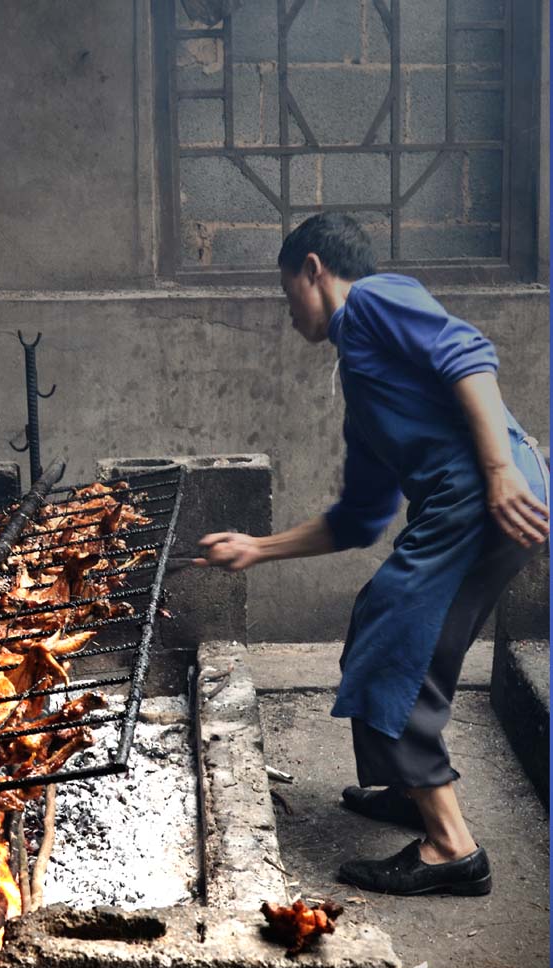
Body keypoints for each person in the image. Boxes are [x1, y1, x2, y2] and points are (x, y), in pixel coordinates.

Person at [197, 213, 549, 897]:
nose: (286, 310)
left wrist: (498, 470)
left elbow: (468, 356)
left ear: (311, 269)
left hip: (480, 497)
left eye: (284, 292)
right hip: (476, 501)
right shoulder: (362, 381)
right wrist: (256, 548)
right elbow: (359, 519)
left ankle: (450, 848)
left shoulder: (375, 299)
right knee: (387, 624)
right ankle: (408, 788)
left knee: (395, 645)